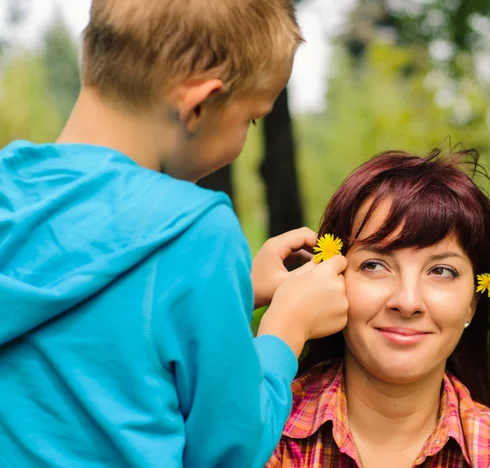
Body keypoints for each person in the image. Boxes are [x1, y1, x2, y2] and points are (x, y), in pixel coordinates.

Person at [0, 1, 349, 467]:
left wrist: (235, 292)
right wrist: (287, 327)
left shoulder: (9, 190)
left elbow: (96, 320)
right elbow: (229, 449)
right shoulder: (196, 230)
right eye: (252, 118)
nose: (247, 133)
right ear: (199, 105)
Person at [268, 150, 490, 467]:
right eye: (375, 265)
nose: (408, 301)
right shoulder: (261, 431)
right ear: (332, 279)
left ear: (472, 303)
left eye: (441, 271)